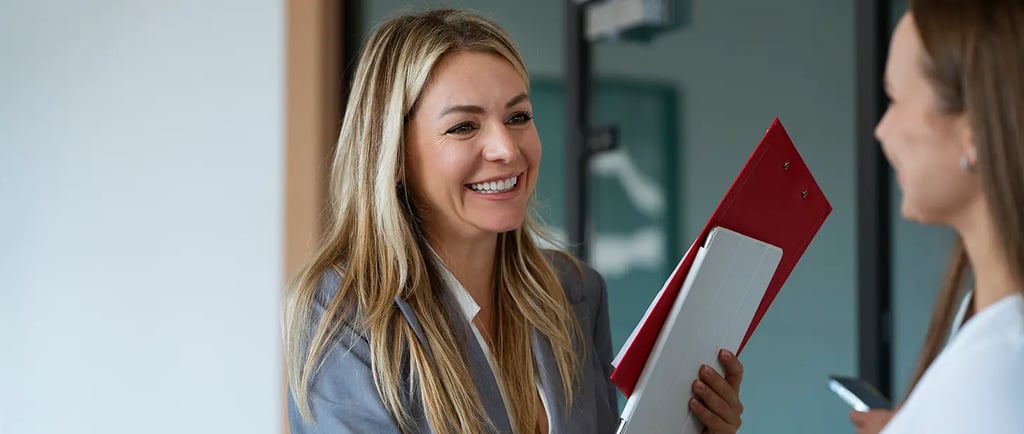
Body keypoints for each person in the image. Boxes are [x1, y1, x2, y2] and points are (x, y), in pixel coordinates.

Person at [282, 8, 745, 434]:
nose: (507, 149)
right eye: (464, 126)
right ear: (394, 155)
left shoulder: (574, 291)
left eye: (518, 116)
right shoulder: (343, 312)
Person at [851, 0, 1024, 432]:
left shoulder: (998, 372)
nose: (881, 130)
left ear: (974, 132)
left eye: (895, 99)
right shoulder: (984, 324)